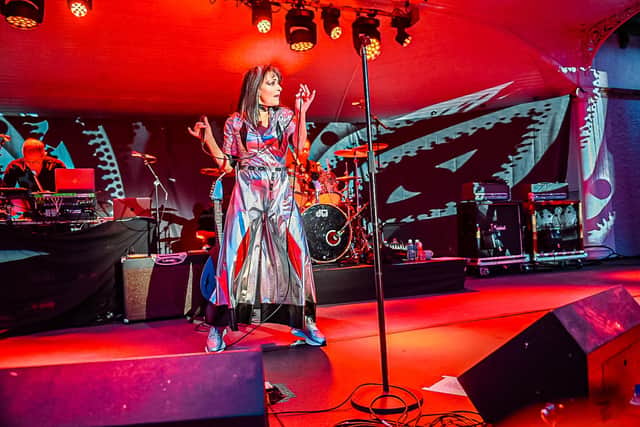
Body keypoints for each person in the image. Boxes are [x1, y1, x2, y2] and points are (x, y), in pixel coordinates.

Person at [188, 65, 325, 352]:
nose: (278, 89)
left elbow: (300, 150)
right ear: (256, 88)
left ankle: (304, 321)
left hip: (280, 192)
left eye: (279, 84)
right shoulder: (236, 122)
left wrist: (302, 112)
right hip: (247, 190)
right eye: (272, 84)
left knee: (296, 252)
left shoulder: (285, 116)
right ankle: (217, 327)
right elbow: (226, 164)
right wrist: (208, 139)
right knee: (233, 256)